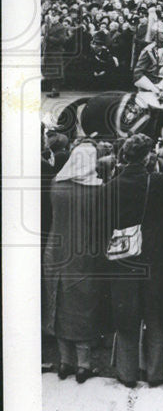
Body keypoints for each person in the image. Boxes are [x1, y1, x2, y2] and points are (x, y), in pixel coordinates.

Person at [103, 133, 163, 388]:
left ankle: (127, 373)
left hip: (122, 257)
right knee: (155, 315)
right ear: (146, 157)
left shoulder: (111, 186)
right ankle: (156, 373)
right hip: (153, 256)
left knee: (126, 316)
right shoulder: (158, 182)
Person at [42, 141, 110, 384]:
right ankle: (83, 365)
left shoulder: (56, 185)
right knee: (83, 306)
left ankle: (64, 363)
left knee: (58, 304)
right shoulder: (98, 190)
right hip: (84, 254)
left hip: (55, 252)